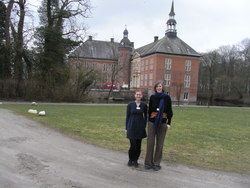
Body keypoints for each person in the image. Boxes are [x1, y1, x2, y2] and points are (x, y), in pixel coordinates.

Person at [144, 81, 173, 171]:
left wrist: (168, 123)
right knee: (150, 143)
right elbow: (149, 110)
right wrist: (149, 121)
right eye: (157, 86)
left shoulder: (167, 98)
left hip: (162, 122)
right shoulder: (152, 97)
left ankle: (156, 163)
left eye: (160, 86)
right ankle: (148, 163)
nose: (159, 88)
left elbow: (169, 111)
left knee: (160, 144)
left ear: (162, 87)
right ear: (155, 88)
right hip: (152, 122)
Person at [126, 90, 148, 167]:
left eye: (140, 95)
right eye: (137, 95)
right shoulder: (130, 105)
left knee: (138, 146)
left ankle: (135, 160)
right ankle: (130, 159)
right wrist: (126, 128)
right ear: (135, 95)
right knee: (133, 145)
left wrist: (144, 125)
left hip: (140, 127)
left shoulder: (144, 105)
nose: (138, 96)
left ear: (141, 96)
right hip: (131, 127)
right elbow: (127, 117)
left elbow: (146, 116)